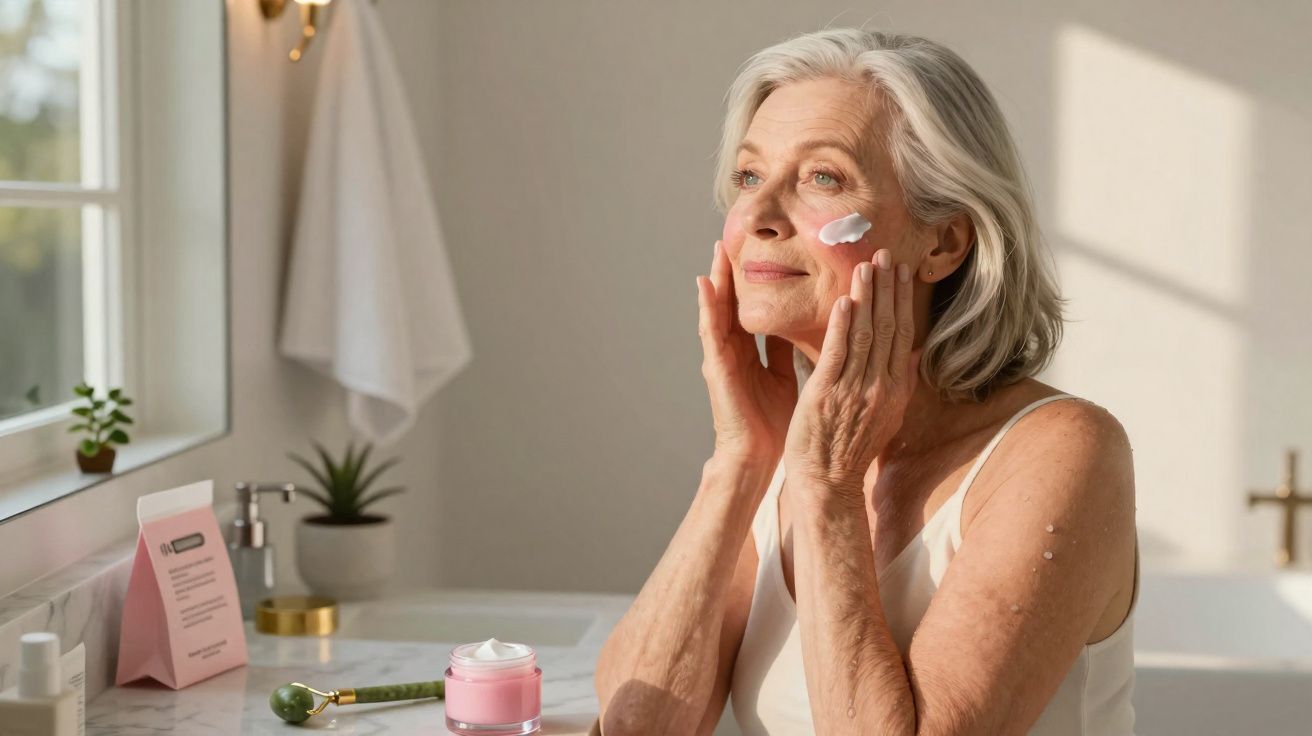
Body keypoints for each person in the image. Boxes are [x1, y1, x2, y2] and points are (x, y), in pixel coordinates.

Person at [595, 27, 1137, 735]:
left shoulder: (1064, 450)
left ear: (942, 241)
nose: (756, 217)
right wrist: (740, 460)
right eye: (750, 177)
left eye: (823, 178)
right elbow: (637, 728)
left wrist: (827, 488)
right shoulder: (782, 453)